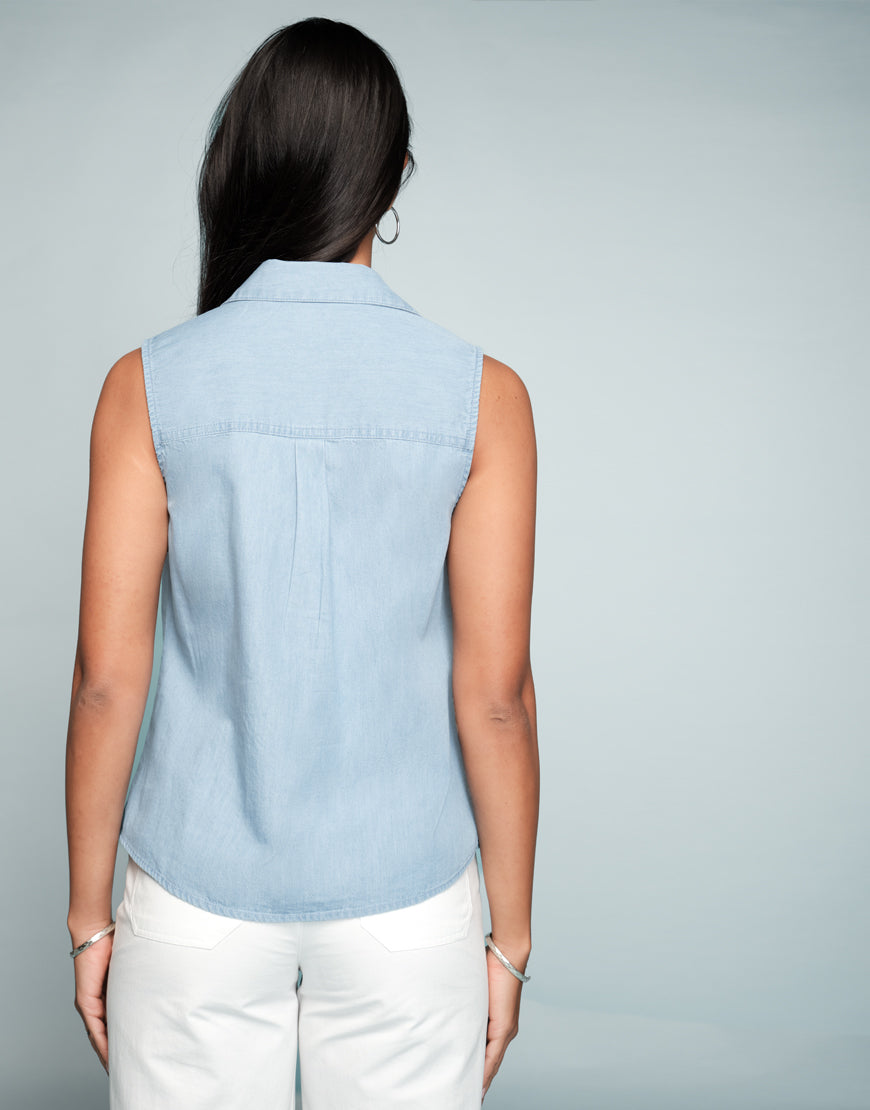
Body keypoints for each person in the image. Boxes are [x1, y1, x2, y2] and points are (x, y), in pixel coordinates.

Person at [65, 16, 539, 1109]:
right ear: (392, 175)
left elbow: (104, 681)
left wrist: (91, 919)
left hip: (192, 902)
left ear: (246, 162)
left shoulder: (147, 384)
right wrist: (508, 939)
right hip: (407, 907)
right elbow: (498, 697)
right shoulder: (486, 397)